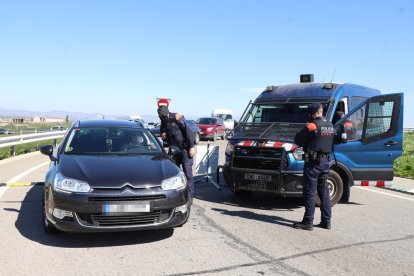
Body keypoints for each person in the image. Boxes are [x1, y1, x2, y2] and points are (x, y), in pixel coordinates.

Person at [293, 103, 335, 231]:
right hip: (326, 162)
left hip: (313, 163)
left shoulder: (312, 125)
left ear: (312, 113)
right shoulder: (330, 125)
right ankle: (326, 221)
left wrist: (306, 128)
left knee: (310, 192)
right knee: (324, 191)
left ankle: (308, 221)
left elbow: (298, 140)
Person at [157, 105, 196, 197]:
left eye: (163, 116)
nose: (162, 117)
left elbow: (188, 131)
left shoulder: (177, 117)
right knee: (175, 174)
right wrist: (163, 137)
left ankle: (189, 196)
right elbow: (163, 135)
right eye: (161, 116)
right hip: (174, 151)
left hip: (185, 150)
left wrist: (192, 147)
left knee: (188, 173)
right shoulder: (163, 122)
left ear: (167, 113)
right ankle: (177, 195)